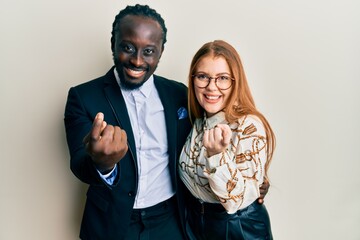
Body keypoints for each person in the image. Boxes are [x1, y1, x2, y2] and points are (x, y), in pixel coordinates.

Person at [64, 4, 270, 240]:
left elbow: (229, 142)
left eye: (149, 51)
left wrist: (252, 184)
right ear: (114, 43)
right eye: (128, 48)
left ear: (161, 51)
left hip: (172, 221)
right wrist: (103, 165)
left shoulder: (179, 95)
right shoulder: (83, 97)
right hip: (112, 224)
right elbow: (79, 163)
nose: (137, 61)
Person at [179, 40, 276, 239]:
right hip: (196, 225)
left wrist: (216, 155)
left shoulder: (249, 125)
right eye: (203, 77)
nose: (211, 87)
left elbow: (235, 201)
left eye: (222, 78)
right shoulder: (197, 122)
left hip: (238, 228)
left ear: (235, 81)